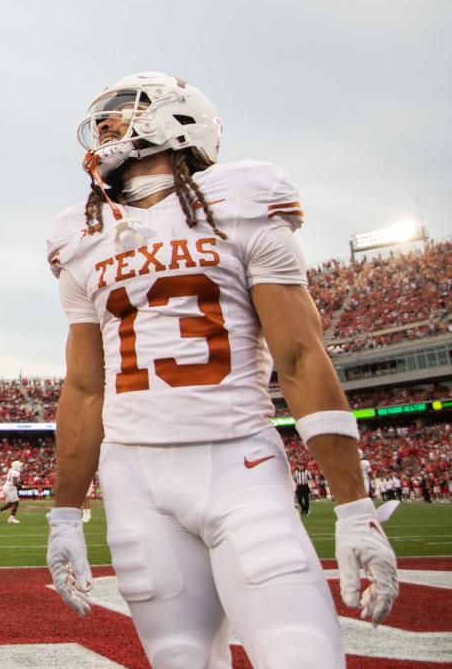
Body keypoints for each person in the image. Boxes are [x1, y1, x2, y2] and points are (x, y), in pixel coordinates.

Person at [44, 72, 400, 668]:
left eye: (122, 110)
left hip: (239, 463)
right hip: (135, 479)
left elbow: (300, 356)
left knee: (301, 655)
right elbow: (83, 390)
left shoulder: (243, 203)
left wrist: (354, 506)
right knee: (181, 659)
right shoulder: (81, 238)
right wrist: (63, 515)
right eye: (102, 113)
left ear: (178, 120)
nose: (104, 124)